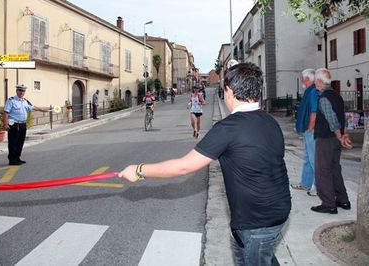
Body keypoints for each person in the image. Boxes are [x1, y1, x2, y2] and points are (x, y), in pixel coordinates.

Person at [120, 63, 291, 265]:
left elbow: (184, 166)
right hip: (274, 212)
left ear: (229, 91)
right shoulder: (269, 121)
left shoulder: (228, 128)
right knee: (260, 255)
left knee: (257, 257)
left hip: (256, 222)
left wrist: (139, 170)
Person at [311, 68, 352, 214]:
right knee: (335, 169)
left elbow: (332, 120)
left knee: (323, 171)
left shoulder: (324, 98)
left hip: (326, 138)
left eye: (315, 80)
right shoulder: (337, 96)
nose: (314, 82)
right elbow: (343, 117)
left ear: (320, 81)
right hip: (335, 139)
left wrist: (340, 136)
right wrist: (342, 135)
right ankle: (343, 200)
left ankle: (329, 203)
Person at [3, 84, 47, 165]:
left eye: (23, 91)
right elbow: (6, 112)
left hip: (23, 124)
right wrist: (5, 123)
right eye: (20, 90)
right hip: (14, 124)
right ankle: (12, 160)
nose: (22, 92)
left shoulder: (25, 101)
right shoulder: (11, 100)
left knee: (20, 141)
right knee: (13, 142)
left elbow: (32, 107)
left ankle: (17, 158)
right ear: (17, 91)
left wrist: (42, 110)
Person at [291, 69, 318, 196]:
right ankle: (306, 183)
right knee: (308, 158)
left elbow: (314, 110)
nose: (301, 80)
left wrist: (311, 126)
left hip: (310, 130)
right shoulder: (309, 91)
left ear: (307, 79)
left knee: (314, 159)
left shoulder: (312, 92)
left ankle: (319, 187)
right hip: (308, 129)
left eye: (302, 78)